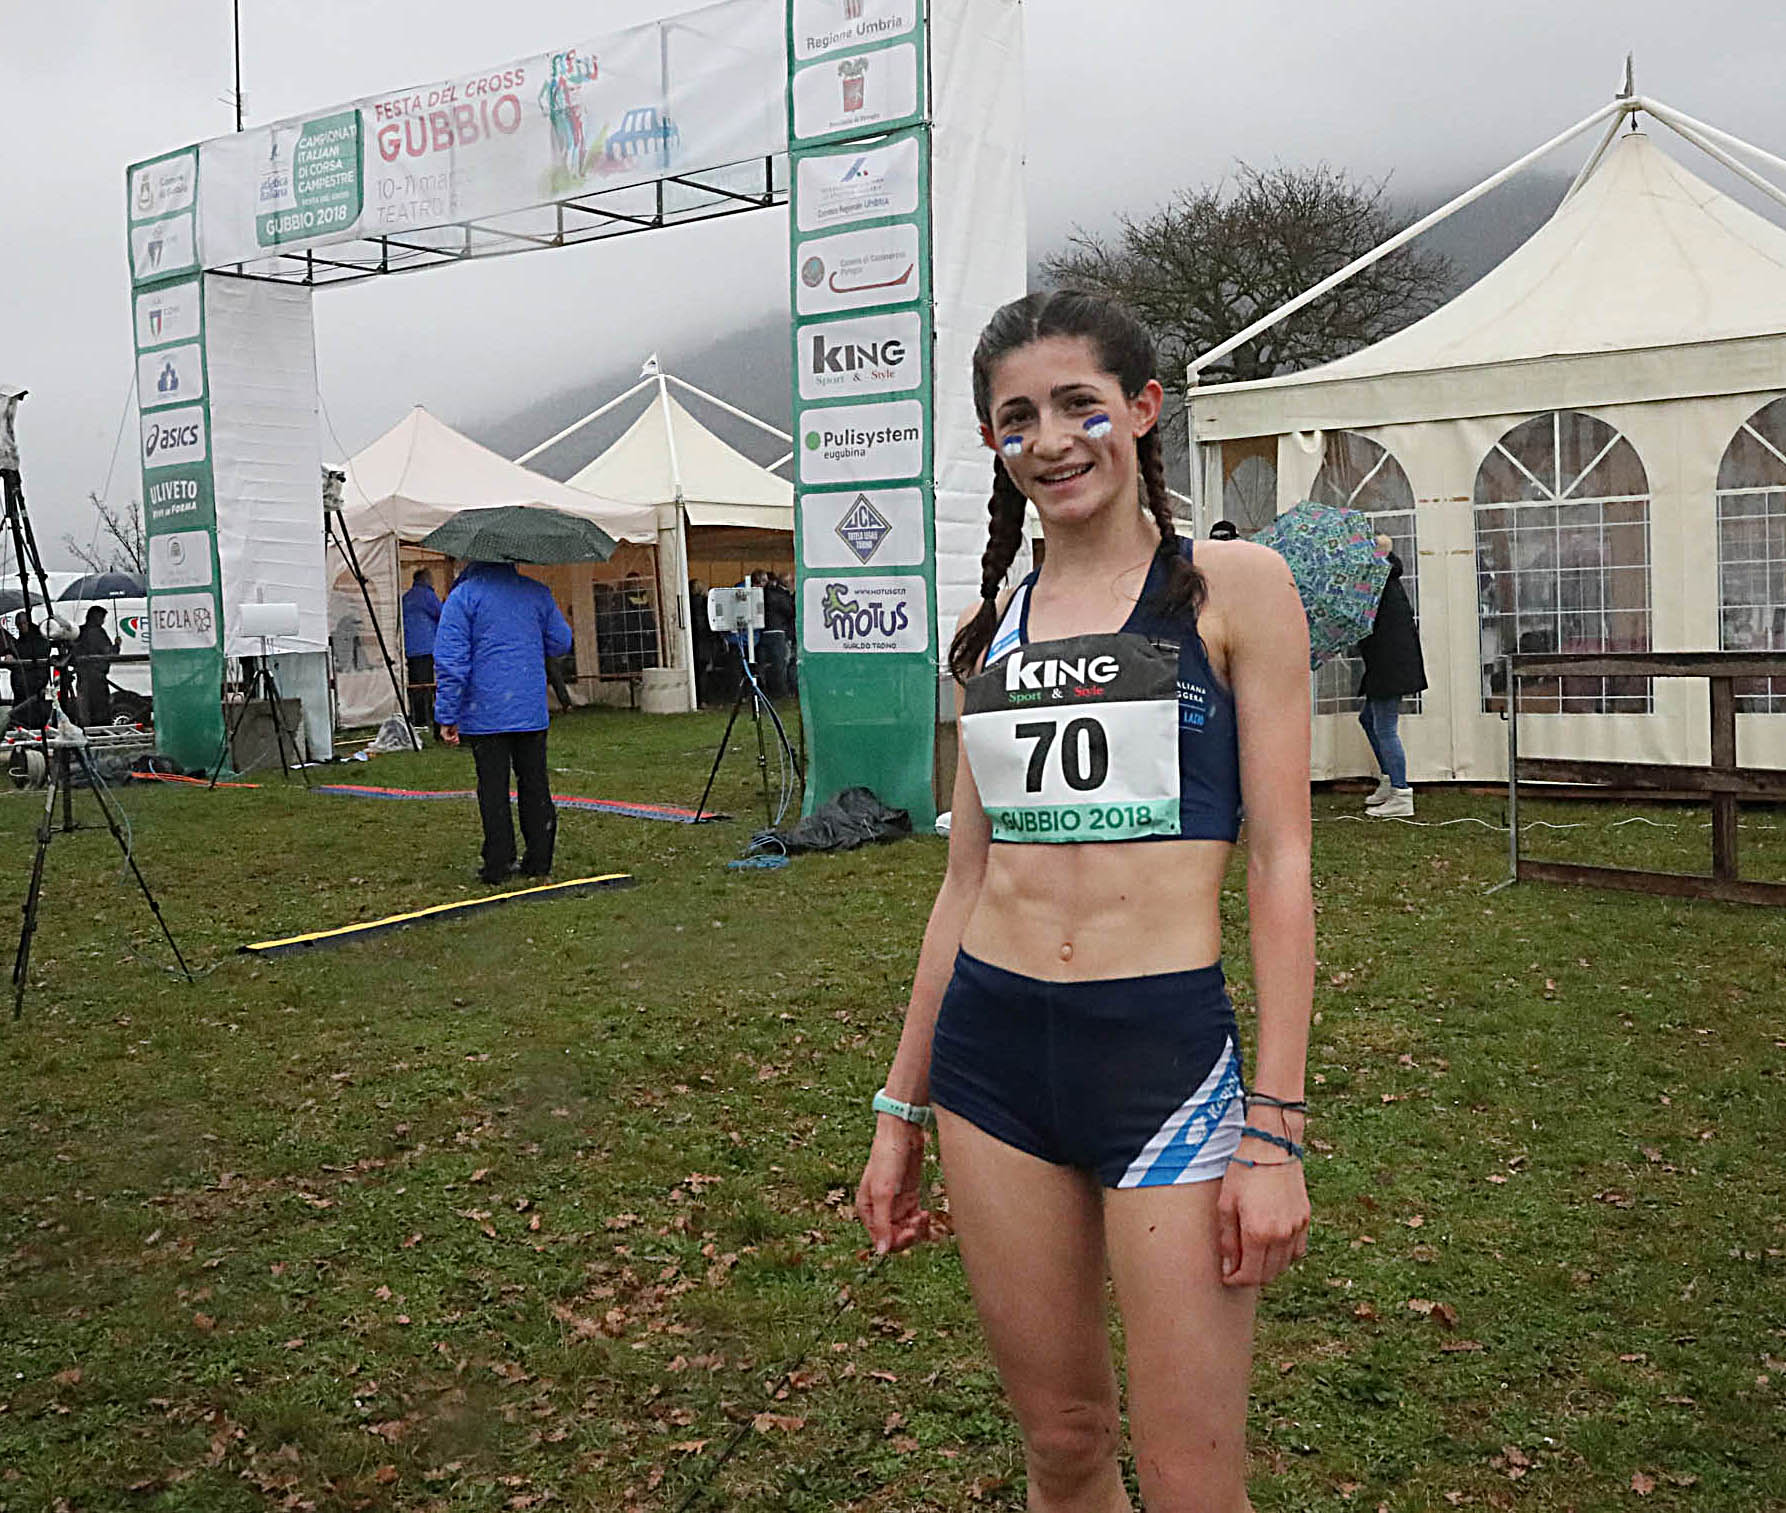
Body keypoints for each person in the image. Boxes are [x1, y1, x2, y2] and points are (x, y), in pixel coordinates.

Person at [856, 291, 1313, 1512]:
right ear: (992, 441)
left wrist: (1274, 1129)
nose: (1050, 441)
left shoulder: (1231, 589)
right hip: (993, 1064)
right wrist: (900, 1109)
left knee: (1190, 1479)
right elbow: (965, 881)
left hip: (1160, 1059)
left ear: (1143, 407)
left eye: (1078, 405)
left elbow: (1280, 864)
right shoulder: (991, 628)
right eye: (1017, 419)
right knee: (1061, 1444)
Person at [432, 561, 573, 884]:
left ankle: (498, 861)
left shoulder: (463, 597)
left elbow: (451, 661)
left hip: (485, 711)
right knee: (534, 783)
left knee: (493, 788)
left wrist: (447, 714)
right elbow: (561, 642)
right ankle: (539, 859)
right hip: (530, 708)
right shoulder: (537, 593)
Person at [1357, 534, 1426, 819]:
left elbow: (1364, 621)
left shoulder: (1379, 582)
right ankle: (1389, 779)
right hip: (1386, 661)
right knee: (1368, 719)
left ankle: (1401, 793)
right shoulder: (1385, 577)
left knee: (1385, 727)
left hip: (1390, 663)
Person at [401, 568, 442, 731]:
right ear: (426, 580)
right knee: (427, 685)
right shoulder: (427, 595)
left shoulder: (406, 597)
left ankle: (417, 716)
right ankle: (426, 718)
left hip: (410, 647)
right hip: (425, 647)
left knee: (415, 685)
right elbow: (441, 613)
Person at [72, 606, 117, 726]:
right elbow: (109, 653)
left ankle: (85, 728)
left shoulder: (79, 632)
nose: (103, 621)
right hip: (97, 677)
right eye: (102, 618)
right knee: (100, 708)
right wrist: (117, 646)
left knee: (85, 708)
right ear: (97, 617)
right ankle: (100, 730)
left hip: (82, 675)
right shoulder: (98, 633)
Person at [12, 613, 49, 707]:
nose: (22, 627)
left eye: (24, 623)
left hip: (36, 678)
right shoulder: (20, 640)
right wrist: (10, 652)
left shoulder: (39, 637)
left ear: (28, 623)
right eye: (19, 625)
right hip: (23, 680)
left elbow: (40, 653)